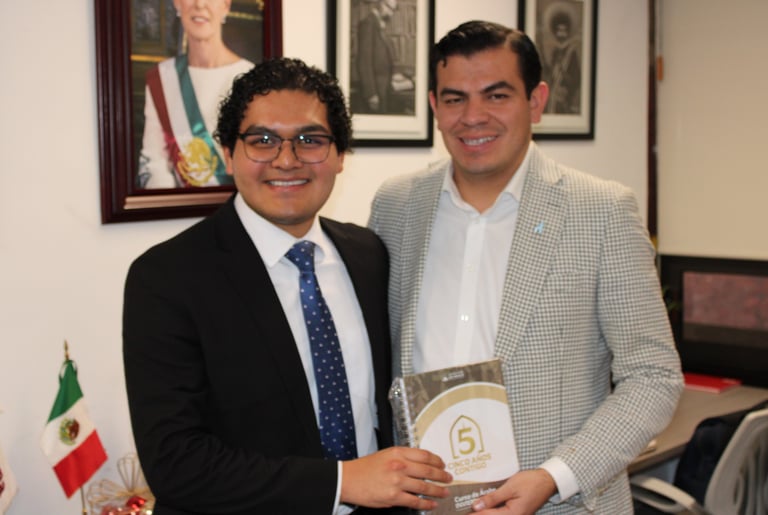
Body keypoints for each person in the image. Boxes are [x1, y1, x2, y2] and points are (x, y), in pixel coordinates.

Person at [368, 21, 683, 514]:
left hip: (558, 504)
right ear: (434, 106)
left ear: (536, 102)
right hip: (425, 502)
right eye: (454, 99)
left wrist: (556, 476)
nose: (473, 117)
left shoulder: (600, 211)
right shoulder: (396, 206)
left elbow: (653, 376)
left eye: (496, 96)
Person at [123, 57, 452, 514]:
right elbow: (175, 463)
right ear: (228, 153)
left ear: (340, 155)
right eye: (262, 140)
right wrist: (342, 482)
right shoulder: (166, 277)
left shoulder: (368, 255)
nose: (286, 159)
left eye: (310, 140)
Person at [137, 0, 253, 189]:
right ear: (177, 3)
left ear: (226, 5)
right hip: (180, 205)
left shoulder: (249, 77)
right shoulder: (162, 78)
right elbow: (155, 161)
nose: (199, 4)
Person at [355, 0, 398, 114]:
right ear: (380, 3)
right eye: (388, 7)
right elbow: (364, 62)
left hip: (384, 87)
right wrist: (371, 93)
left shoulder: (380, 23)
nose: (391, 13)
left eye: (393, 10)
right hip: (375, 90)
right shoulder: (368, 23)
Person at [541, 3, 581, 114]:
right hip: (553, 95)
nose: (561, 34)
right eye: (559, 31)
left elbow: (576, 76)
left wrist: (566, 87)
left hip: (565, 95)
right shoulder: (555, 52)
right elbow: (551, 74)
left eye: (564, 31)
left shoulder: (572, 52)